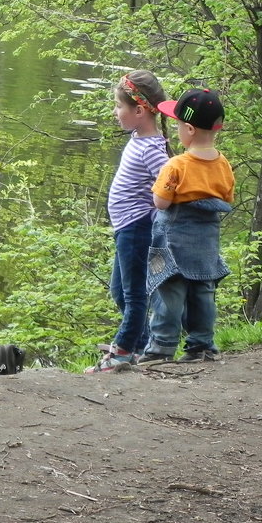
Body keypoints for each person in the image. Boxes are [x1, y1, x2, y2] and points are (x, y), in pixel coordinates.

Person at [139, 88, 235, 363]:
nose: (177, 130)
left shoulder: (176, 165)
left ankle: (162, 347)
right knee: (203, 293)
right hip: (206, 242)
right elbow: (227, 197)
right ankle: (201, 346)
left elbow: (160, 202)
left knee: (168, 291)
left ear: (189, 129)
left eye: (179, 125)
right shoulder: (224, 165)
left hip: (173, 240)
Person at [86, 70, 172, 373]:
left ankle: (122, 352)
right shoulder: (139, 137)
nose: (115, 112)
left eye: (119, 106)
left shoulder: (152, 148)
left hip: (137, 229)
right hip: (126, 228)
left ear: (139, 111)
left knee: (135, 296)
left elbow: (170, 183)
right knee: (119, 292)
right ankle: (143, 347)